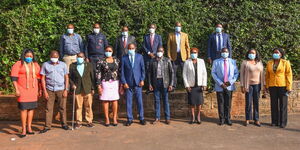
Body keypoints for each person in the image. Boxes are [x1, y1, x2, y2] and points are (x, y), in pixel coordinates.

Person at [11, 49, 41, 138]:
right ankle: (23, 129)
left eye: (31, 56)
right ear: (24, 56)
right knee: (24, 109)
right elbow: (13, 78)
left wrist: (40, 90)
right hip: (22, 90)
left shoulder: (35, 65)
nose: (29, 58)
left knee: (31, 108)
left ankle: (29, 128)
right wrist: (17, 90)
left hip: (33, 90)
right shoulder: (18, 64)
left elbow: (39, 78)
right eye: (27, 56)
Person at [40, 50, 70, 133]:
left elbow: (66, 77)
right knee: (48, 108)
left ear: (58, 57)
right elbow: (42, 78)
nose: (54, 58)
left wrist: (66, 89)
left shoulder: (63, 65)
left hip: (61, 89)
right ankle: (47, 126)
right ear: (50, 56)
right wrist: (44, 91)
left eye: (56, 57)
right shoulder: (45, 65)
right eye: (53, 57)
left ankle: (64, 124)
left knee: (62, 107)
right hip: (50, 89)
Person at [265, 48, 293, 128]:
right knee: (273, 104)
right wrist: (266, 86)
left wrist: (289, 87)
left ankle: (283, 122)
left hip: (282, 86)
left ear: (281, 54)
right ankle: (274, 121)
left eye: (277, 52)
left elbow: (289, 75)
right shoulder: (269, 63)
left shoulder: (285, 62)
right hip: (272, 86)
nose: (275, 54)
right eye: (274, 52)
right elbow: (267, 75)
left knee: (283, 105)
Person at [96, 46, 122, 127]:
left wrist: (121, 84)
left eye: (110, 50)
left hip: (115, 82)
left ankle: (114, 118)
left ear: (112, 51)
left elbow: (120, 72)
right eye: (107, 50)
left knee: (114, 100)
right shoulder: (100, 61)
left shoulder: (117, 60)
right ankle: (107, 118)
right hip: (105, 83)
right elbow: (98, 74)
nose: (108, 52)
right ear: (104, 51)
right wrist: (99, 86)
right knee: (105, 100)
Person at [212, 48, 238, 126]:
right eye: (223, 52)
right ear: (221, 53)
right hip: (220, 86)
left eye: (226, 52)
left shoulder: (233, 62)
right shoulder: (216, 62)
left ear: (228, 52)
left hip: (229, 86)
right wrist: (220, 83)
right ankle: (221, 119)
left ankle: (228, 118)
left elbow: (236, 73)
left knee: (228, 103)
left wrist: (230, 82)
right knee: (220, 103)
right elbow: (213, 73)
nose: (224, 53)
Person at [121, 43, 146, 126]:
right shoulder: (124, 58)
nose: (131, 50)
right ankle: (129, 119)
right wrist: (124, 82)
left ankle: (141, 118)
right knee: (129, 102)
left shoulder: (140, 57)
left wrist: (142, 79)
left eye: (132, 48)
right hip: (128, 84)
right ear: (127, 49)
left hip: (138, 83)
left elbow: (143, 69)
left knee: (139, 101)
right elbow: (122, 72)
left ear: (135, 48)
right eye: (129, 48)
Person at [148, 47, 174, 125]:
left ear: (163, 52)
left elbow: (171, 72)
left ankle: (167, 118)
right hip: (156, 82)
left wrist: (171, 84)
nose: (160, 52)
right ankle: (157, 118)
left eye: (161, 51)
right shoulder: (152, 61)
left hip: (165, 82)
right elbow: (149, 73)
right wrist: (150, 84)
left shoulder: (167, 60)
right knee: (156, 101)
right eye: (158, 51)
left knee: (165, 100)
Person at [69, 52, 95, 129]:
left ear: (84, 57)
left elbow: (92, 77)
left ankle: (89, 121)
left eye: (81, 57)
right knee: (78, 106)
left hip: (87, 89)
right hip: (77, 89)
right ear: (76, 57)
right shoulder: (72, 66)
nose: (80, 58)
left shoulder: (89, 65)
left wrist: (92, 88)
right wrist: (72, 84)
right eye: (78, 57)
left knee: (88, 106)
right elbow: (70, 77)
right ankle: (78, 122)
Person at [183, 48, 207, 124]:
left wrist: (204, 84)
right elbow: (184, 74)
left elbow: (204, 73)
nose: (194, 54)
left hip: (199, 85)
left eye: (195, 52)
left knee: (199, 102)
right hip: (191, 86)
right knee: (192, 103)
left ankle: (198, 116)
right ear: (190, 53)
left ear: (197, 53)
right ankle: (193, 117)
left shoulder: (201, 61)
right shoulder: (187, 62)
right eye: (192, 52)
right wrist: (187, 85)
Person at [240, 49, 264, 127]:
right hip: (248, 85)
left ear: (256, 54)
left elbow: (262, 74)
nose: (251, 54)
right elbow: (242, 75)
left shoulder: (259, 62)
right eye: (250, 53)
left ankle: (256, 119)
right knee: (248, 102)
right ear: (248, 54)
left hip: (257, 85)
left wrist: (263, 85)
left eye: (253, 53)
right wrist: (242, 86)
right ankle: (247, 119)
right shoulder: (245, 62)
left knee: (256, 102)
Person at [167, 22, 190, 89]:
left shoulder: (185, 35)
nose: (178, 27)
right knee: (173, 71)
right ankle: (173, 86)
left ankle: (187, 85)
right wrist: (169, 55)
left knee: (185, 71)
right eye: (177, 26)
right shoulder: (170, 35)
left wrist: (188, 56)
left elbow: (187, 46)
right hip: (174, 56)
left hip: (183, 56)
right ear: (175, 27)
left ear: (181, 27)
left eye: (179, 26)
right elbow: (168, 46)